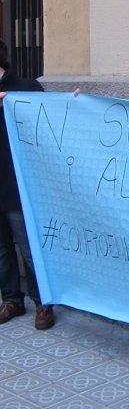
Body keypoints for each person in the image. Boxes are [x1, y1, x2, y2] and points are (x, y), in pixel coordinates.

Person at [0, 40, 54, 330]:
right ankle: (11, 299)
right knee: (1, 249)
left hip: (16, 185)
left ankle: (42, 302)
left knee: (29, 248)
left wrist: (76, 101)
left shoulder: (25, 88)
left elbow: (53, 117)